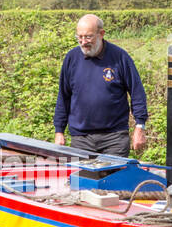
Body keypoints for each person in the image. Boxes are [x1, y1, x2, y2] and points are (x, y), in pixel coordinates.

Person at [53, 13, 148, 157]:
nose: (83, 42)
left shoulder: (120, 57)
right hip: (81, 139)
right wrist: (59, 131)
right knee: (83, 179)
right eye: (80, 37)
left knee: (114, 179)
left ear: (101, 34)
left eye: (88, 36)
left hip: (114, 138)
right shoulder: (71, 59)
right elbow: (63, 97)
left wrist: (139, 126)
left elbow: (137, 93)